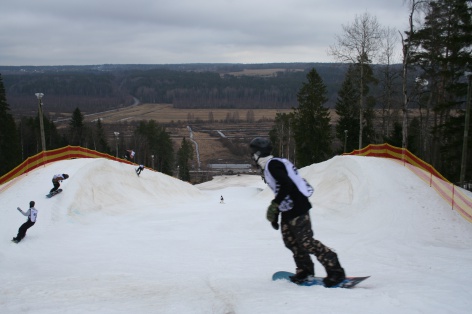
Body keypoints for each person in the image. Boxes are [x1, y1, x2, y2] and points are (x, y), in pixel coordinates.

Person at [249, 137, 346, 287]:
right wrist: (276, 214)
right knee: (291, 242)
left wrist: (274, 206)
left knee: (306, 243)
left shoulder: (273, 165)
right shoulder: (272, 164)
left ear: (258, 153)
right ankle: (305, 270)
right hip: (288, 208)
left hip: (297, 207)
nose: (251, 156)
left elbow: (286, 184)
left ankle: (335, 270)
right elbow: (283, 189)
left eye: (252, 153)